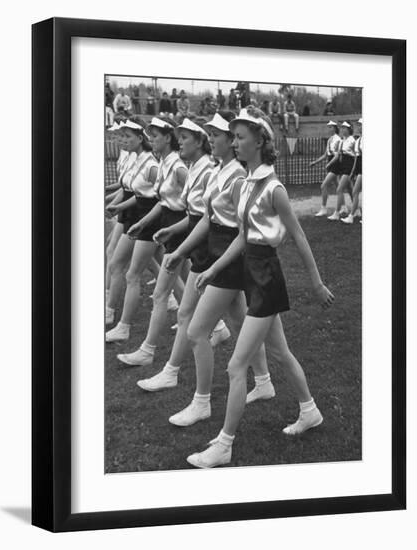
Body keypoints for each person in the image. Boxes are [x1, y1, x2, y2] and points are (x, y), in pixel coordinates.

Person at [184, 109, 334, 468]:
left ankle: (224, 444)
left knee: (237, 365)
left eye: (239, 137)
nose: (234, 142)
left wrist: (316, 282)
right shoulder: (248, 182)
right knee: (280, 353)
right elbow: (241, 236)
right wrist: (213, 269)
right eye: (233, 137)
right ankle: (309, 411)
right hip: (251, 273)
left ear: (260, 141)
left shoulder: (274, 188)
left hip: (266, 278)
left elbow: (297, 236)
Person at [142, 111, 275, 414]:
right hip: (215, 254)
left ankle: (201, 401)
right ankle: (265, 381)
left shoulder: (238, 177)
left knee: (196, 330)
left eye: (217, 135)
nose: (211, 139)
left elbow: (244, 230)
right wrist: (179, 250)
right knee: (238, 321)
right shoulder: (220, 170)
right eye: (211, 134)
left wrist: (215, 263)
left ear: (232, 141)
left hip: (226, 257)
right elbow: (206, 218)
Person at [118, 118, 229, 368]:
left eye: (185, 138)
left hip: (194, 234)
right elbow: (178, 204)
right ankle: (221, 332)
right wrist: (161, 227)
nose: (152, 140)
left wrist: (176, 236)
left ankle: (151, 352)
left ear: (199, 142)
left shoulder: (188, 169)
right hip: (183, 229)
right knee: (202, 301)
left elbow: (198, 213)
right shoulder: (182, 165)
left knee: (162, 294)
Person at [104, 117, 159, 336]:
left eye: (127, 136)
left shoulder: (151, 164)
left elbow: (158, 197)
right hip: (137, 217)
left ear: (140, 138)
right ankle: (112, 312)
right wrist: (116, 204)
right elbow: (135, 190)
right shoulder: (137, 159)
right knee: (166, 270)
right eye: (120, 136)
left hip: (145, 219)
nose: (121, 140)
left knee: (131, 270)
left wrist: (118, 206)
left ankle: (118, 321)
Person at [310, 121, 342, 217]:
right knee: (338, 186)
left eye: (331, 127)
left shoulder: (337, 139)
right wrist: (315, 162)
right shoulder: (330, 139)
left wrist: (328, 164)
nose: (329, 129)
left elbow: (336, 155)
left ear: (335, 128)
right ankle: (344, 207)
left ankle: (323, 208)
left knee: (324, 185)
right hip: (331, 163)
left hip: (335, 164)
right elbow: (325, 155)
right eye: (328, 127)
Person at [327, 121, 356, 220]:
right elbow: (338, 155)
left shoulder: (352, 140)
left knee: (339, 189)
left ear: (349, 129)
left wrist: (354, 170)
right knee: (350, 189)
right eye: (342, 128)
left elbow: (356, 156)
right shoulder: (343, 140)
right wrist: (330, 163)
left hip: (349, 167)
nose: (342, 129)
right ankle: (357, 211)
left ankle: (337, 213)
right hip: (343, 166)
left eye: (345, 128)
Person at [342, 118, 363, 224]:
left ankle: (352, 215)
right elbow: (356, 159)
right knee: (355, 191)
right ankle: (355, 214)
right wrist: (353, 172)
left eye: (361, 125)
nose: (359, 127)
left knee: (355, 191)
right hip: (359, 169)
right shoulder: (359, 139)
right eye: (359, 125)